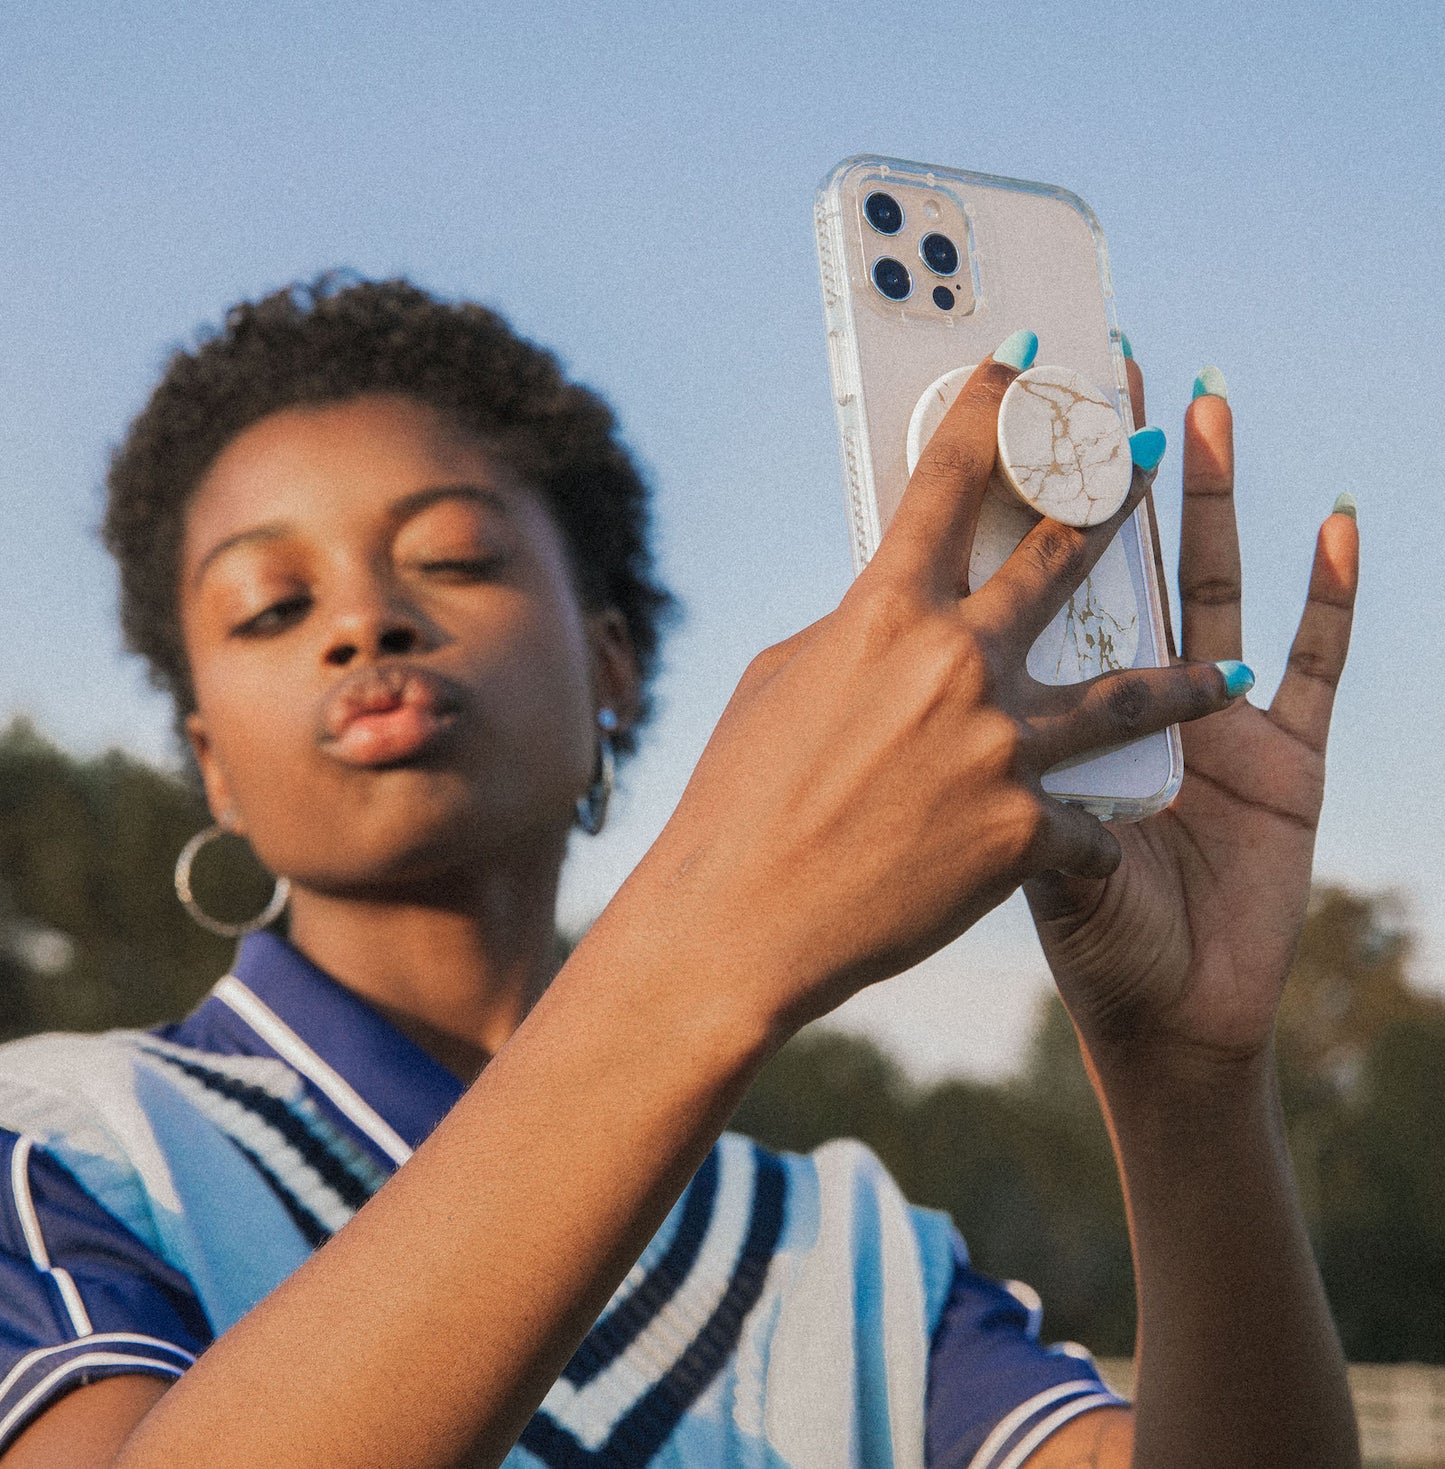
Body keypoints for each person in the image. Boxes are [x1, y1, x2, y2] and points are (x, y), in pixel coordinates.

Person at [0, 277, 1360, 1468]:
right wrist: (720, 936)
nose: (363, 620)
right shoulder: (66, 1143)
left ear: (612, 664)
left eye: (452, 557)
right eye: (271, 607)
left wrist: (1190, 1085)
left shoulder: (844, 1252)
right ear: (211, 763)